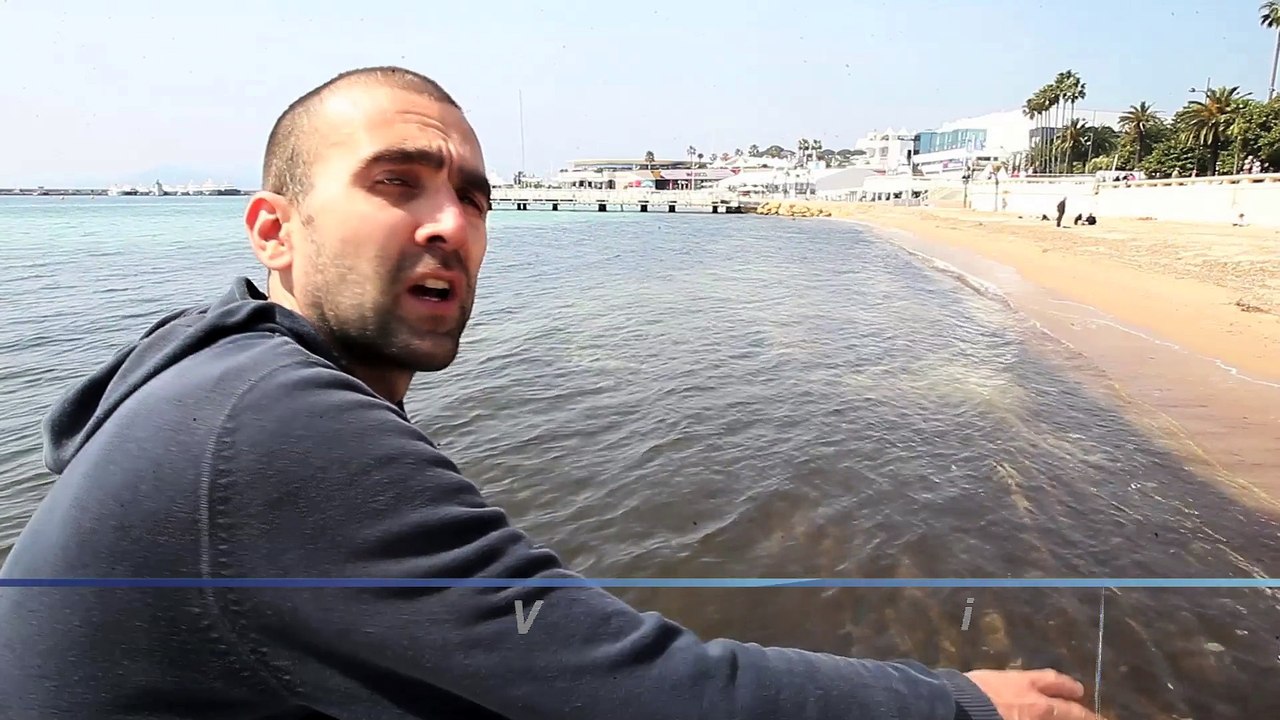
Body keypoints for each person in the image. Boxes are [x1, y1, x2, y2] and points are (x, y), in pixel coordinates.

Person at [0, 66, 1098, 720]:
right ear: (273, 230)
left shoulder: (213, 375)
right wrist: (959, 702)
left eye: (473, 196)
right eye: (397, 183)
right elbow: (635, 687)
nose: (450, 223)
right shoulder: (268, 426)